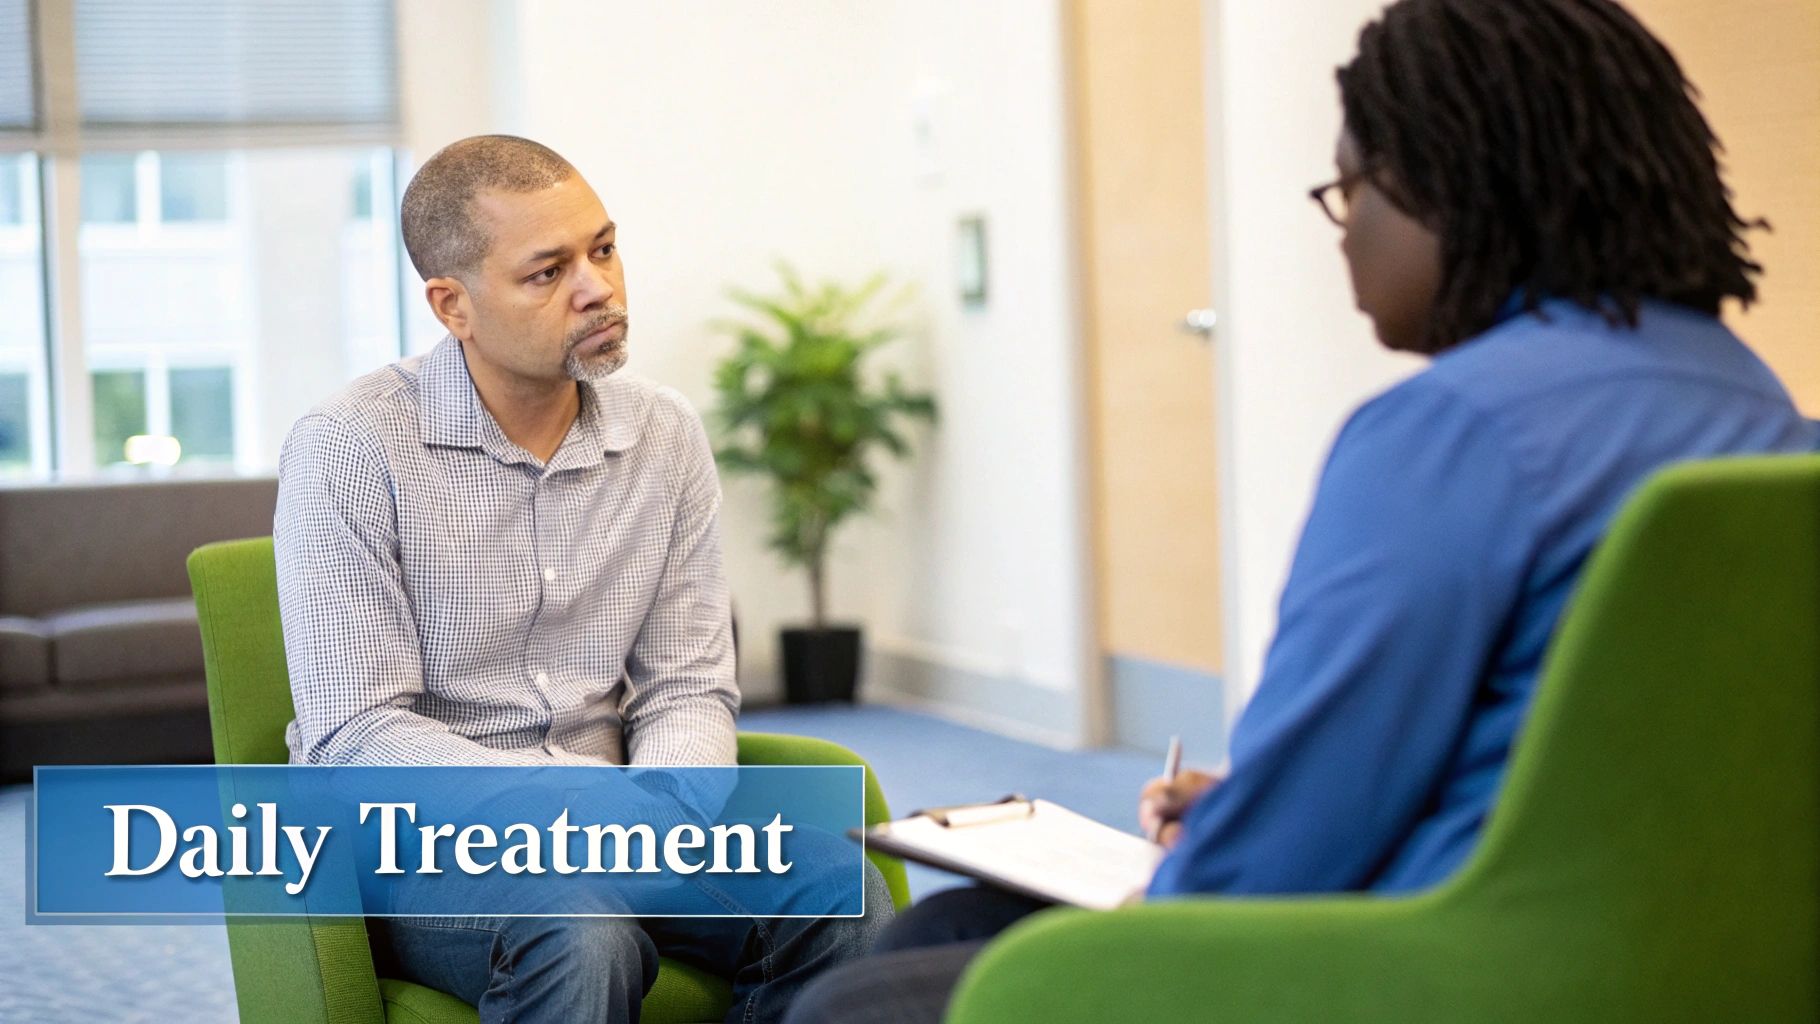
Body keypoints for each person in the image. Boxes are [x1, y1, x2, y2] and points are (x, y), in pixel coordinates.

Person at [783, 0, 1820, 1020]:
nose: (1341, 234)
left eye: (1346, 188)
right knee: (945, 931)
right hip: (1669, 955)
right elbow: (1560, 745)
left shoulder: (1447, 432)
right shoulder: (1768, 420)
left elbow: (1266, 868)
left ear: (1445, 183)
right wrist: (1243, 795)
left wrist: (1197, 862)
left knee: (859, 996)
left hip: (1435, 963)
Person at [274, 134, 891, 1024]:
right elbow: (357, 734)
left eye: (603, 248)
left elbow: (687, 682)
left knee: (839, 888)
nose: (599, 287)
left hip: (635, 823)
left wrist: (669, 808)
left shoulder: (665, 436)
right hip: (434, 850)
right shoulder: (351, 447)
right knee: (579, 922)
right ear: (454, 305)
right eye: (547, 271)